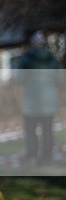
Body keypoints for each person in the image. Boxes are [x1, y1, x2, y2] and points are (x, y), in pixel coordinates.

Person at [17, 31, 62, 164]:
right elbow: (59, 79)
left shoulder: (27, 59)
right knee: (47, 131)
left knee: (30, 131)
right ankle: (47, 156)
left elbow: (19, 78)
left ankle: (32, 155)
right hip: (49, 101)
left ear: (32, 44)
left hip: (32, 102)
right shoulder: (52, 59)